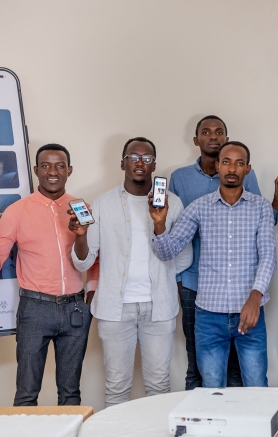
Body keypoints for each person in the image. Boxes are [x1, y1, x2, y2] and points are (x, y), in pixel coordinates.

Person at [168, 115, 278, 389]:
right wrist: (156, 223)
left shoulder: (259, 206)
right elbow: (170, 247)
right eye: (226, 162)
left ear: (247, 169)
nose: (232, 168)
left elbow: (267, 251)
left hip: (249, 307)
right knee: (208, 385)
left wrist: (255, 296)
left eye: (238, 163)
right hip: (204, 301)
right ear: (218, 165)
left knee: (255, 385)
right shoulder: (196, 201)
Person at [68, 137, 193, 405]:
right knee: (116, 388)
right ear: (122, 163)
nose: (140, 163)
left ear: (154, 165)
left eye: (147, 158)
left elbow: (184, 258)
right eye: (134, 157)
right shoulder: (102, 204)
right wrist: (80, 236)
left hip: (159, 307)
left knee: (159, 387)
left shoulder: (173, 204)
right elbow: (84, 261)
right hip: (115, 309)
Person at [0, 144, 98, 406]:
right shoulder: (16, 212)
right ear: (36, 170)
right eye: (45, 166)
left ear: (69, 170)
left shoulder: (81, 208)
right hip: (35, 309)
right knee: (27, 394)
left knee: (71, 394)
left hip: (75, 309)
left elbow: (87, 261)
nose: (52, 171)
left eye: (59, 165)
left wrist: (82, 236)